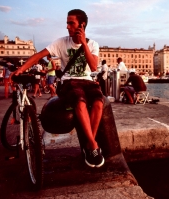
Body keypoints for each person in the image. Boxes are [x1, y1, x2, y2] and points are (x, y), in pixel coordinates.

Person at [12, 9, 104, 168]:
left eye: (71, 23)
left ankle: (89, 145)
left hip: (87, 81)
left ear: (81, 25)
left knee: (99, 103)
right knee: (80, 102)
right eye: (67, 22)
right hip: (70, 82)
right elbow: (39, 55)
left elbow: (94, 66)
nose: (67, 26)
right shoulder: (61, 42)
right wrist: (21, 69)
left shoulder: (93, 44)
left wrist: (83, 44)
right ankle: (94, 146)